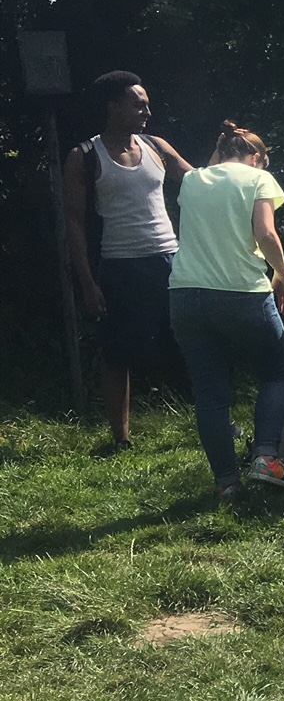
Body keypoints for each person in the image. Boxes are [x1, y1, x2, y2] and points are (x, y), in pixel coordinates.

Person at [62, 70, 195, 454]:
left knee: (195, 340)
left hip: (171, 259)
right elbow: (73, 222)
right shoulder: (84, 157)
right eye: (138, 104)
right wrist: (88, 283)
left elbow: (199, 182)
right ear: (113, 107)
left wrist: (233, 163)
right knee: (117, 352)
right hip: (120, 266)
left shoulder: (156, 146)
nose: (146, 112)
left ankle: (216, 417)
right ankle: (121, 438)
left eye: (147, 104)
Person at [167, 122, 284, 497]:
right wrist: (283, 274)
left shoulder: (194, 180)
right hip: (242, 294)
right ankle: (266, 458)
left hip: (186, 295)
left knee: (210, 392)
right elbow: (265, 232)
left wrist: (221, 142)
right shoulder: (259, 179)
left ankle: (227, 484)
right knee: (274, 371)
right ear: (257, 158)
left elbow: (212, 169)